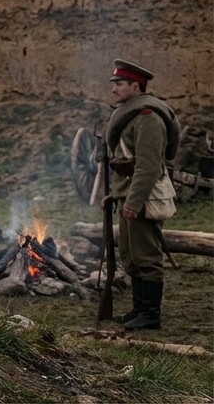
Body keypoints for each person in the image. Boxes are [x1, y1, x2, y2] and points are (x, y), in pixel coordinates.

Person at [104, 59, 180, 330]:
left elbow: (147, 166)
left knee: (147, 256)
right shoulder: (131, 114)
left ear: (136, 86)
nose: (114, 90)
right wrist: (117, 195)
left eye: (120, 84)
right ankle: (139, 309)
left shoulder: (148, 118)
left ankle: (151, 314)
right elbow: (126, 161)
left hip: (143, 198)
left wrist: (134, 202)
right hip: (129, 195)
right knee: (131, 255)